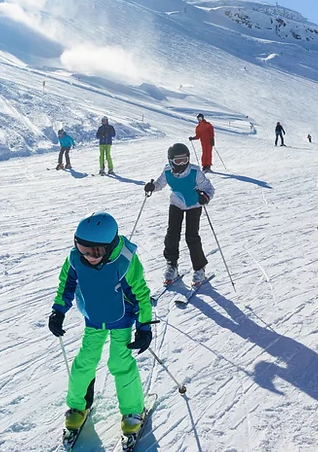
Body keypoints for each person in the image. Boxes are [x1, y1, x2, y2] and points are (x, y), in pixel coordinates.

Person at [47, 212, 153, 438]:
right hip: (94, 319)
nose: (88, 256)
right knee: (85, 361)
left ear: (110, 245)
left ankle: (133, 411)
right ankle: (78, 405)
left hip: (121, 319)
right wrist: (58, 311)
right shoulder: (76, 259)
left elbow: (141, 294)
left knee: (119, 362)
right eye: (82, 248)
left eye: (95, 252)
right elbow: (65, 284)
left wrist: (144, 326)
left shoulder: (124, 261)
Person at [144, 143, 215, 286]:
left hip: (193, 205)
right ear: (171, 161)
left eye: (185, 160)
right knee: (172, 235)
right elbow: (159, 184)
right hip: (176, 203)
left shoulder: (194, 171)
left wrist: (205, 197)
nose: (182, 163)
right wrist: (152, 187)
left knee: (192, 237)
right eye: (178, 161)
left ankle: (199, 268)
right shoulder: (167, 171)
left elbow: (209, 188)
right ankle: (172, 265)